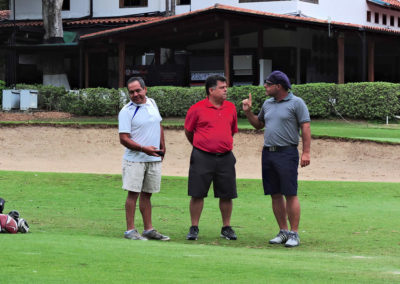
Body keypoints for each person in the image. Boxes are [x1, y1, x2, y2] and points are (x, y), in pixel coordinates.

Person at [242, 70, 311, 247]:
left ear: (278, 86)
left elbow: (305, 127)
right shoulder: (267, 103)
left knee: (290, 193)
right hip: (268, 153)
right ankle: (283, 231)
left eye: (268, 83)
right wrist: (249, 112)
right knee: (275, 194)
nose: (265, 86)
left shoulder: (297, 103)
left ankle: (294, 233)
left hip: (287, 153)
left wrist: (306, 152)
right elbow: (259, 125)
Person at [184, 75, 238, 241]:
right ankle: (194, 227)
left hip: (225, 157)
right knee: (197, 193)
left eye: (225, 87)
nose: (225, 90)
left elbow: (232, 130)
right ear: (211, 90)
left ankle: (226, 227)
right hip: (202, 156)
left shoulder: (231, 108)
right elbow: (188, 131)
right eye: (222, 87)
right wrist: (201, 145)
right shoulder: (196, 109)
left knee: (227, 194)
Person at [118, 77, 169, 241]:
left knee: (147, 195)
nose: (135, 94)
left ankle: (148, 229)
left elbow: (158, 124)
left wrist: (163, 146)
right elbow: (123, 139)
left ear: (145, 89)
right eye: (131, 92)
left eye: (138, 90)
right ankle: (130, 230)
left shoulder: (152, 103)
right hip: (135, 159)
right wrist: (143, 149)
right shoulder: (126, 111)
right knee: (133, 194)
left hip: (153, 158)